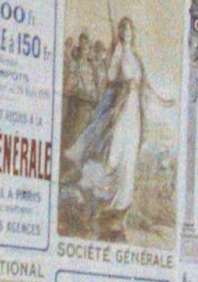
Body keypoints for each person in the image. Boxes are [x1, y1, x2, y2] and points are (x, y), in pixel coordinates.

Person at [68, 16, 171, 241]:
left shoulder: (135, 57)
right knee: (114, 154)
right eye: (122, 30)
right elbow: (111, 77)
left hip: (135, 109)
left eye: (128, 30)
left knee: (129, 158)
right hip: (122, 107)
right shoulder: (119, 53)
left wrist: (162, 100)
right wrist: (118, 63)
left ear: (132, 33)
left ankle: (119, 210)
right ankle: (98, 198)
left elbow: (145, 83)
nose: (126, 34)